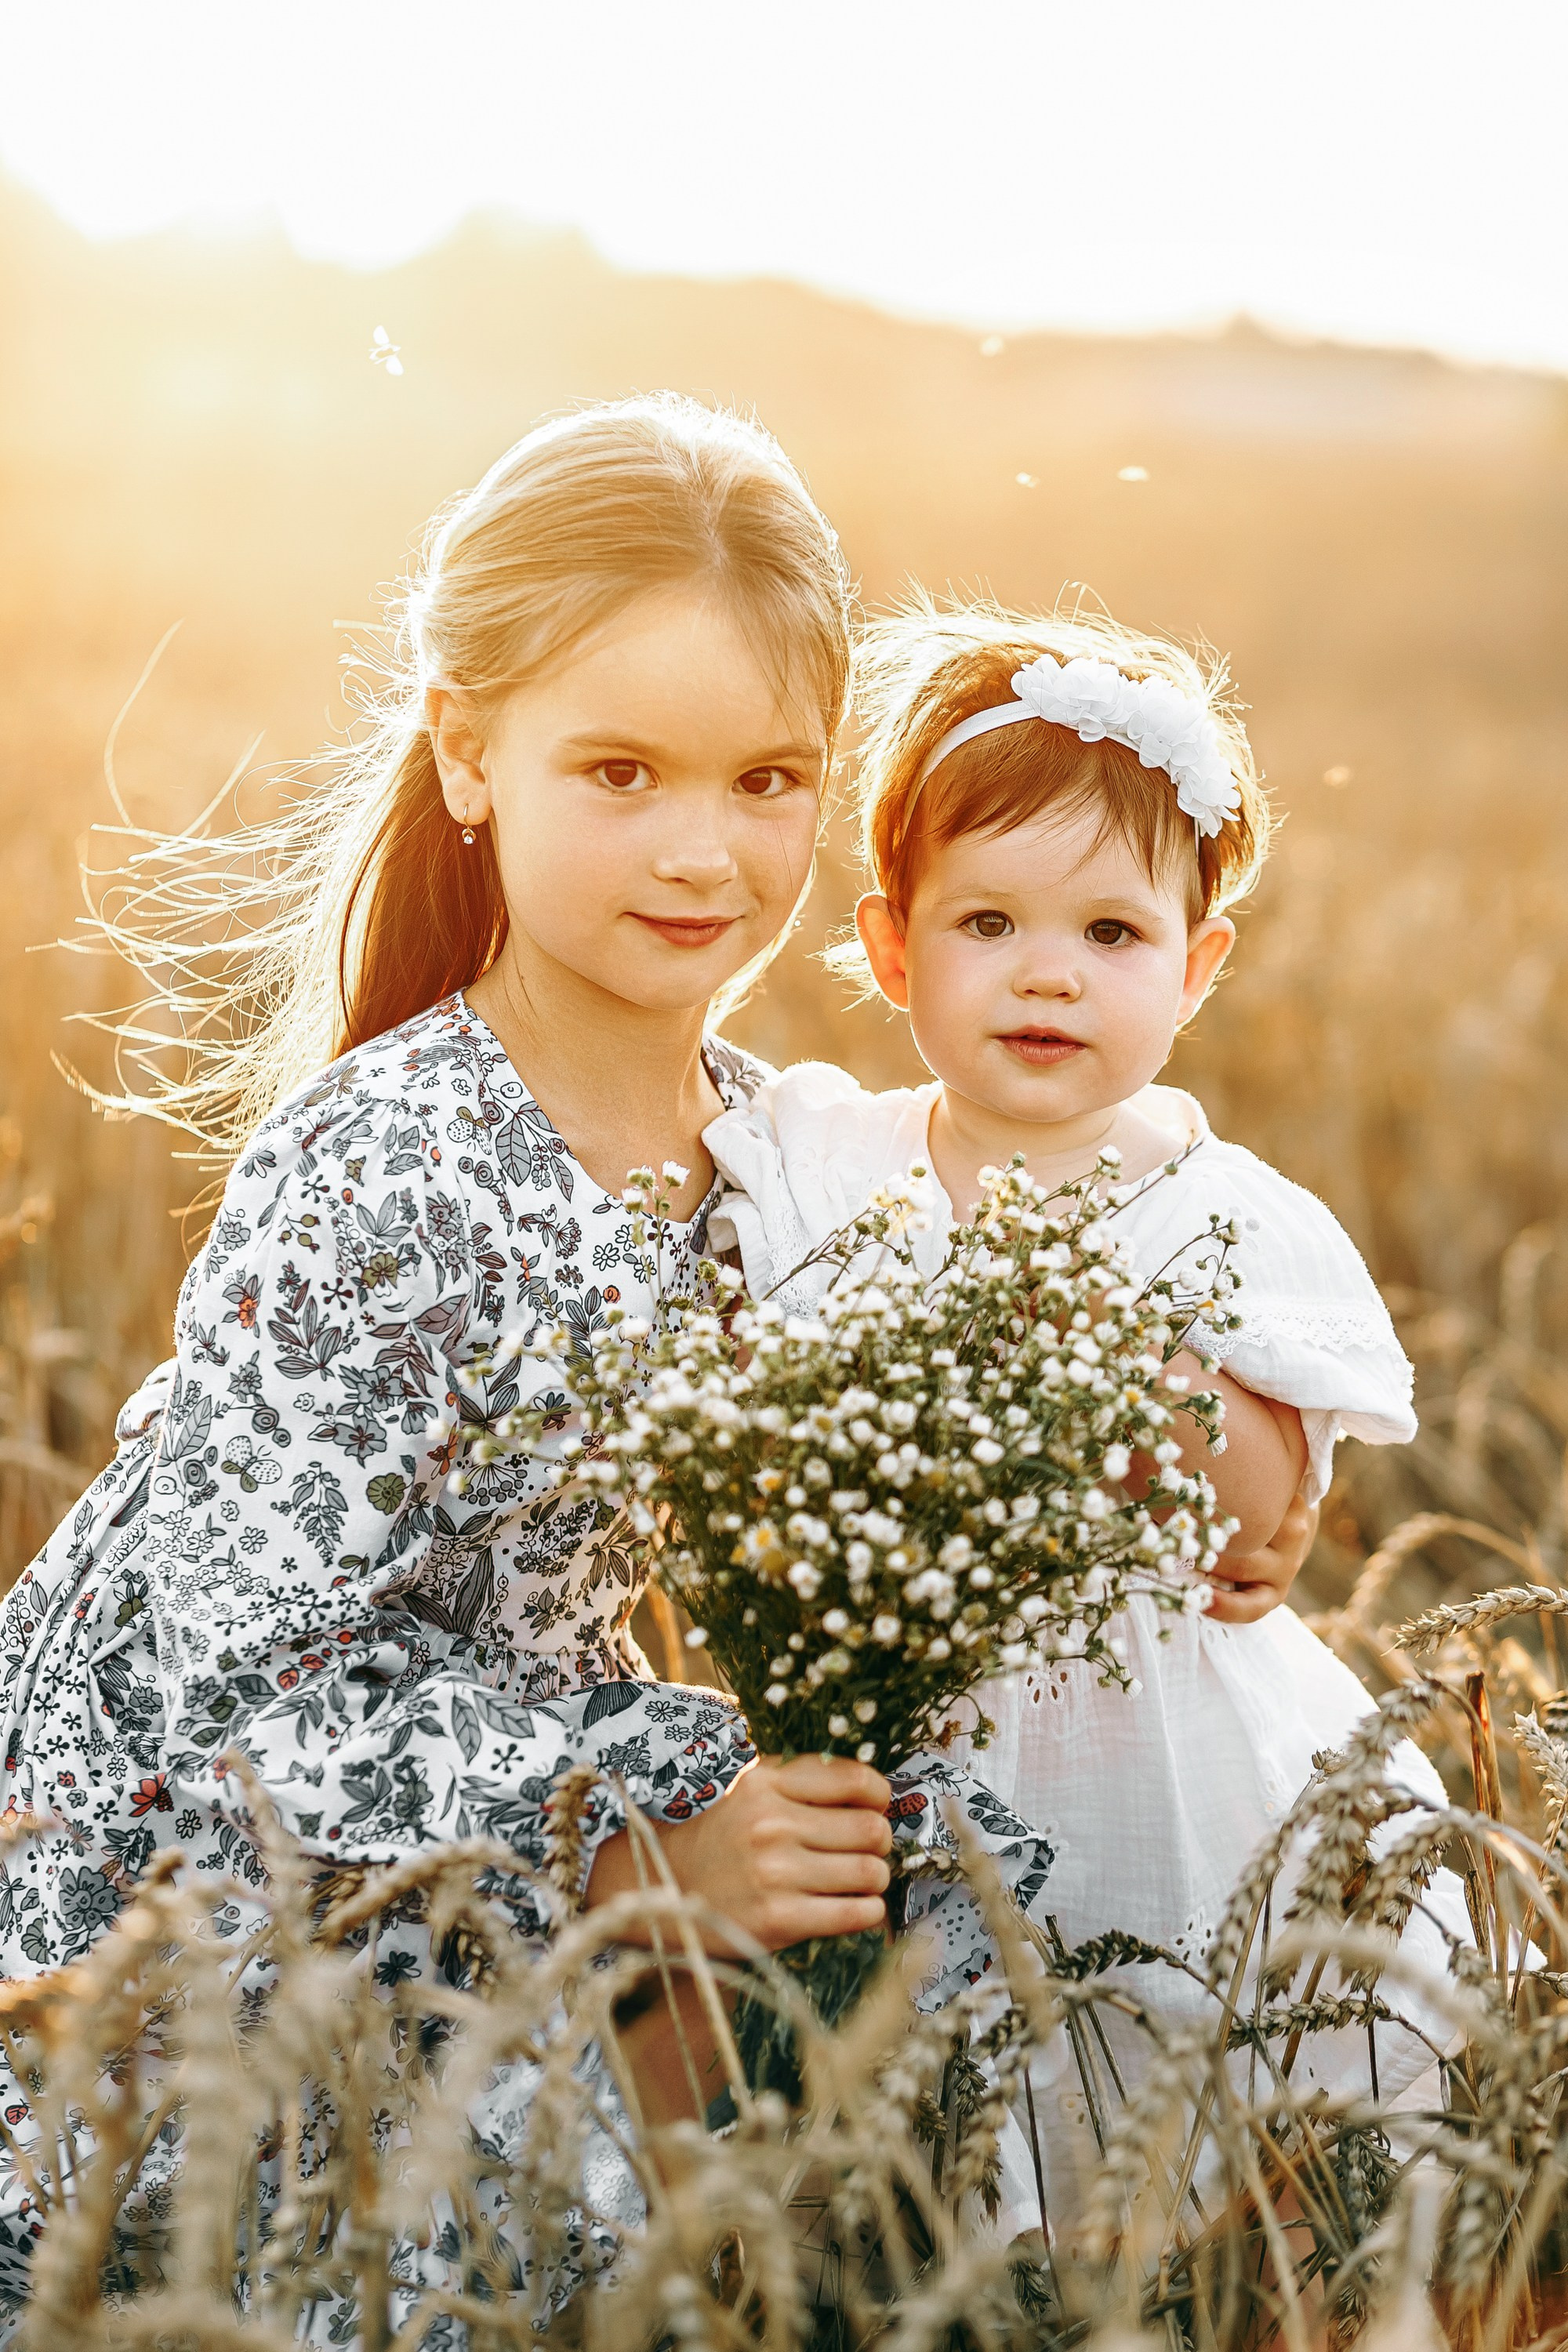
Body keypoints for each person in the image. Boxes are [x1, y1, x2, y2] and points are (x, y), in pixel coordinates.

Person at [0, 405, 1048, 2324]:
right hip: (231, 1901)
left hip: (528, 1800)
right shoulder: (373, 1168)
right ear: (467, 751)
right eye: (622, 770)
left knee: (993, 1901)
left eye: (766, 780)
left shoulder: (774, 1147)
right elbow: (246, 1706)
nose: (702, 850)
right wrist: (641, 1852)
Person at [704, 596, 1472, 2227]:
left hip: (1168, 1761)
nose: (1048, 974)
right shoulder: (824, 1162)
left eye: (1112, 937)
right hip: (898, 1766)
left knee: (1178, 2116)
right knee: (930, 2148)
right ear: (892, 942)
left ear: (1193, 970)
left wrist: (1112, 1364)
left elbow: (1262, 1514)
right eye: (989, 925)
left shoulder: (1221, 1212)